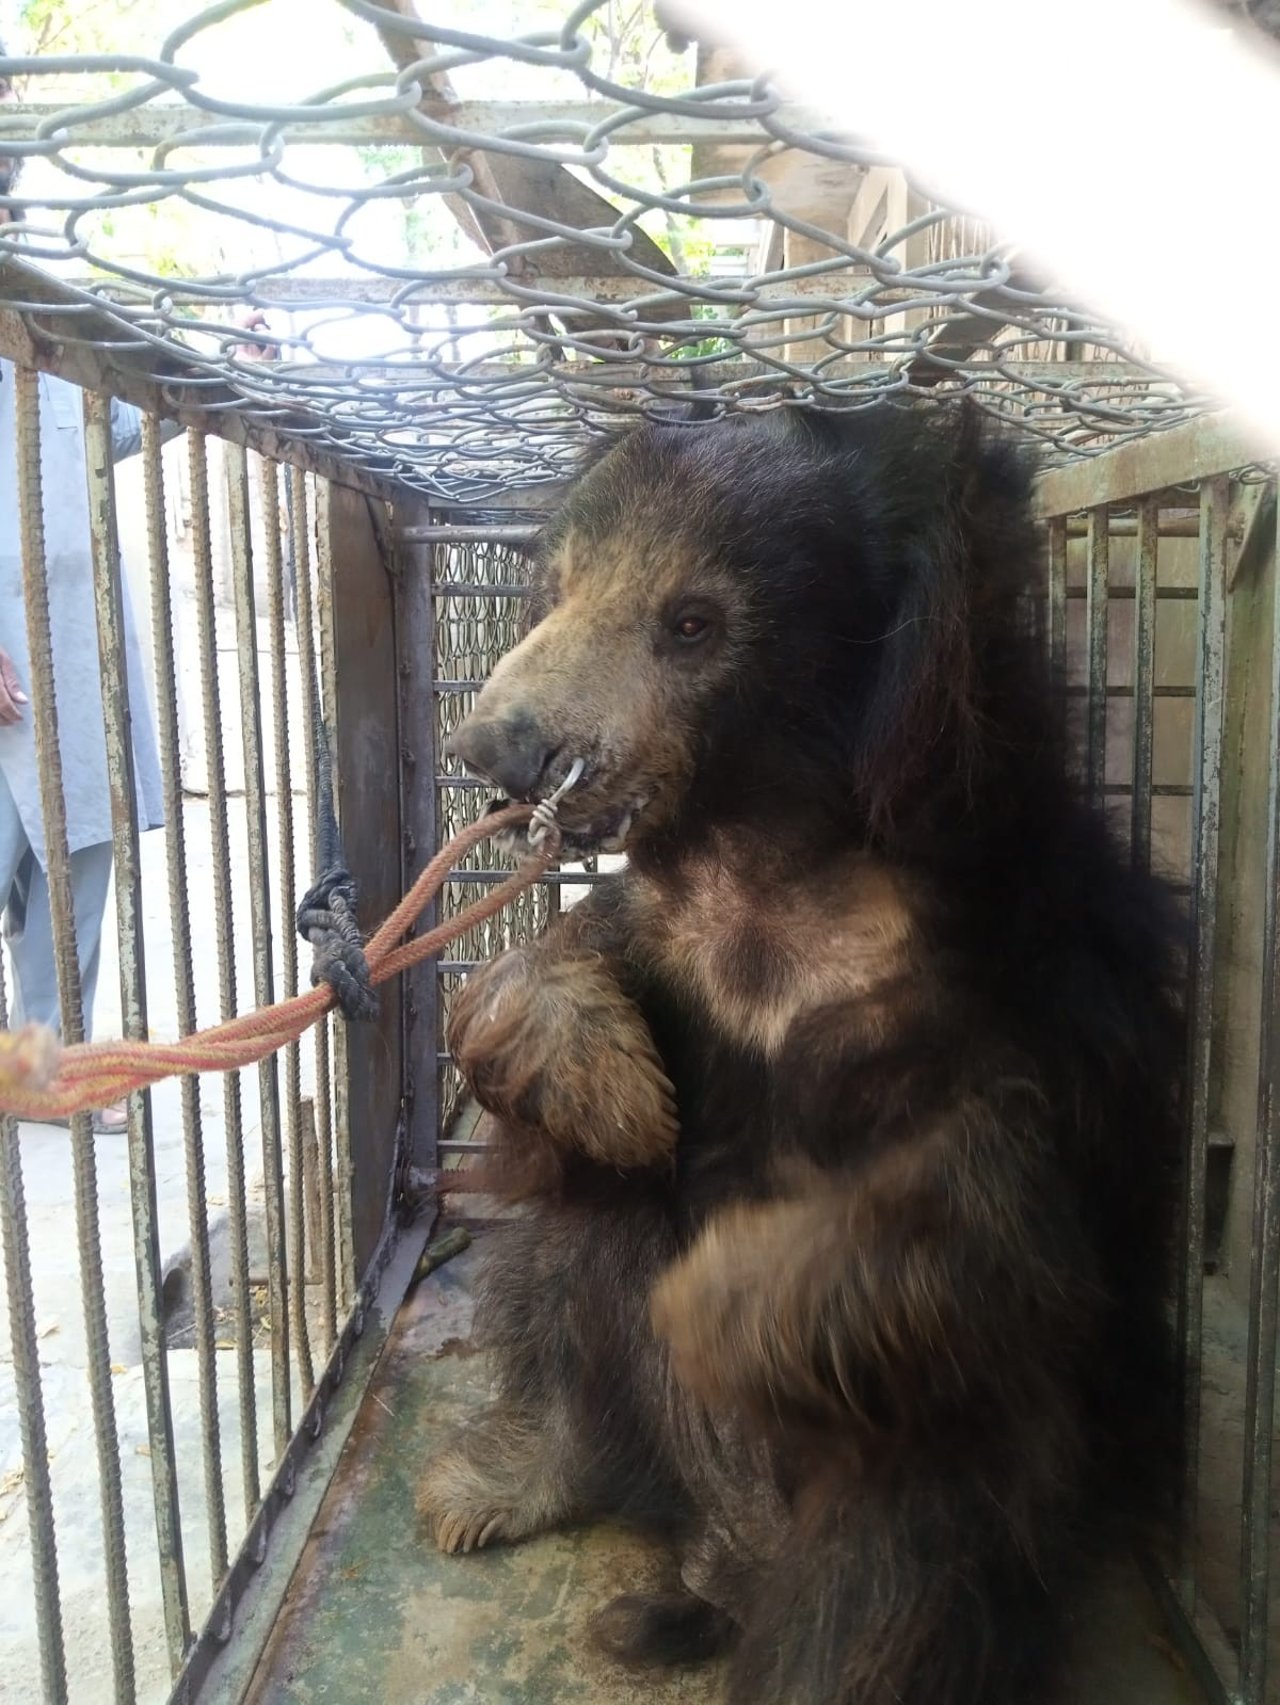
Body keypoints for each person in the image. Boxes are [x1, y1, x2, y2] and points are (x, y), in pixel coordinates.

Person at [0, 54, 165, 1132]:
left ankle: (45, 1078)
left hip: (71, 653)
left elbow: (124, 424)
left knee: (74, 878)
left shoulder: (54, 331)